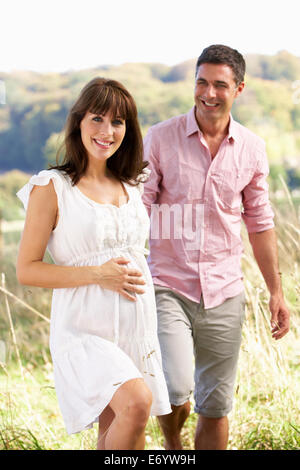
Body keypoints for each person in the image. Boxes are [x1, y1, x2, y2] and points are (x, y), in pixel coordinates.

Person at [142, 44, 290, 450]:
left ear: (238, 89)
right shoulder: (159, 138)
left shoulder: (252, 149)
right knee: (175, 387)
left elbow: (260, 223)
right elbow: (137, 208)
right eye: (201, 82)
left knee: (216, 405)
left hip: (225, 291)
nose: (208, 93)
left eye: (219, 85)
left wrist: (276, 292)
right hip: (167, 284)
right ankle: (173, 445)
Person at [16, 77, 171, 450]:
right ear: (79, 122)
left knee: (123, 434)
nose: (107, 131)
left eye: (118, 122)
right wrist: (98, 274)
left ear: (128, 130)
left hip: (135, 326)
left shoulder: (134, 184)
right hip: (84, 329)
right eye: (97, 119)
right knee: (137, 403)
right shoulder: (51, 187)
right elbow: (27, 269)